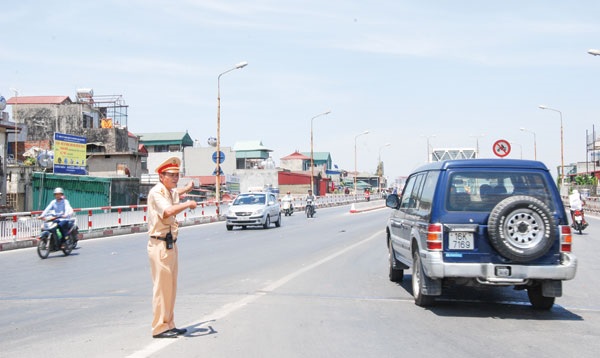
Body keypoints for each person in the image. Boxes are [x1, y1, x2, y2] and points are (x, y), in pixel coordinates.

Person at [147, 157, 197, 339]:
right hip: (159, 243)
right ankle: (159, 327)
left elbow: (177, 193)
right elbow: (168, 211)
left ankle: (168, 323)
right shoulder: (157, 192)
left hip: (170, 243)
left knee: (171, 286)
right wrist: (188, 204)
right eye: (171, 175)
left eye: (177, 175)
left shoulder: (168, 191)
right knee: (162, 287)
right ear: (161, 176)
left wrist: (187, 190)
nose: (175, 178)